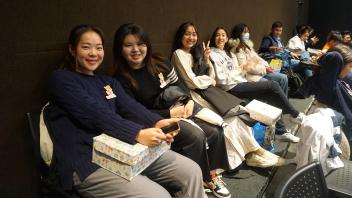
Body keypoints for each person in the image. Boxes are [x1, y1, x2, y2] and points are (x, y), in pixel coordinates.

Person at [47, 24, 206, 198]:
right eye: (86, 47)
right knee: (158, 196)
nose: (94, 53)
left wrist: (157, 122)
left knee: (191, 171)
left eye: (98, 48)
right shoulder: (61, 79)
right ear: (72, 49)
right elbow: (95, 114)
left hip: (124, 151)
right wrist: (137, 133)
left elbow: (131, 108)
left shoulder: (107, 82)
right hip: (87, 161)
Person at [112, 23, 231, 198]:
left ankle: (211, 174)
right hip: (154, 120)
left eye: (140, 44)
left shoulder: (160, 62)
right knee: (195, 136)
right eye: (128, 45)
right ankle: (196, 180)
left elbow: (178, 85)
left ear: (147, 45)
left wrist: (188, 100)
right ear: (119, 49)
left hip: (180, 109)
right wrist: (169, 114)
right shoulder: (119, 79)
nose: (136, 50)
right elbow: (134, 112)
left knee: (216, 130)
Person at [171, 22, 303, 144]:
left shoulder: (228, 53)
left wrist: (241, 70)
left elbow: (242, 69)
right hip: (228, 87)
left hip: (239, 82)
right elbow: (219, 79)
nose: (221, 38)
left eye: (223, 35)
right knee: (274, 84)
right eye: (217, 35)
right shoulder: (209, 53)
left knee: (272, 94)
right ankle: (294, 114)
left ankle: (281, 131)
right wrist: (220, 72)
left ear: (227, 38)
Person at [298, 44, 352, 145]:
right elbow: (335, 57)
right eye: (350, 66)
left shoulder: (342, 80)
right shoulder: (329, 85)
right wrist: (321, 59)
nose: (350, 70)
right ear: (339, 65)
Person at [228, 23, 288, 96]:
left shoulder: (248, 46)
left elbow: (257, 58)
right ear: (238, 34)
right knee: (272, 84)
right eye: (244, 32)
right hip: (250, 76)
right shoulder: (236, 48)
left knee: (283, 78)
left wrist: (266, 66)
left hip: (260, 71)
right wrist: (264, 69)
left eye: (247, 32)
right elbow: (246, 67)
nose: (247, 34)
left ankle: (283, 102)